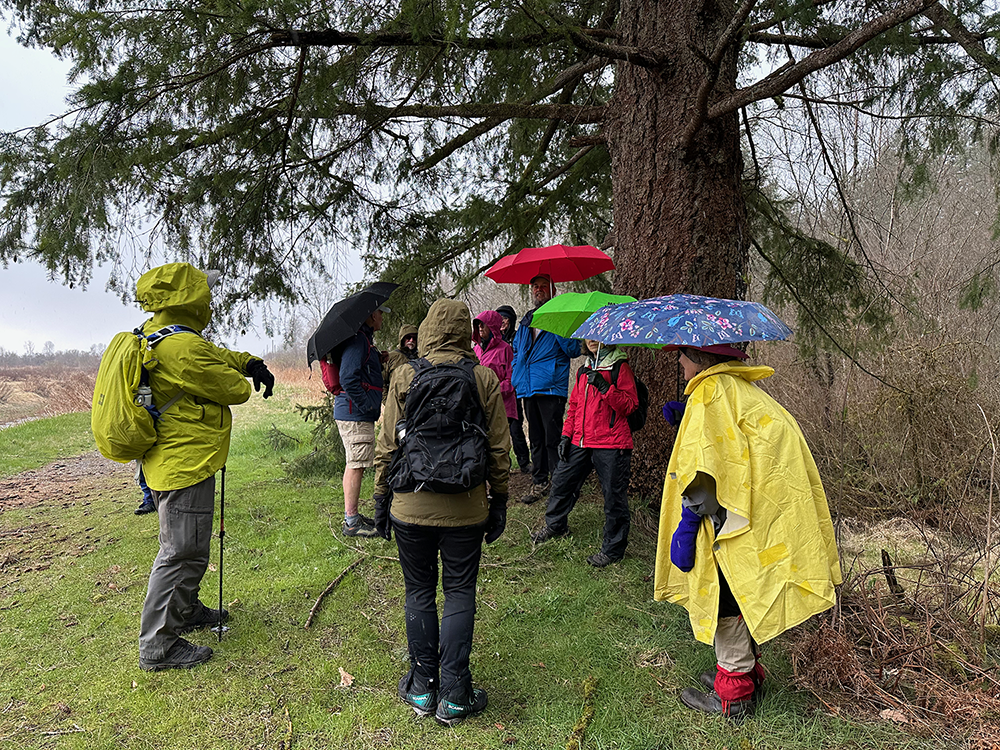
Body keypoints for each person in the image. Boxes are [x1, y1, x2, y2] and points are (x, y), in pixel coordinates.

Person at [654, 344, 841, 719]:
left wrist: (688, 525)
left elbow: (708, 477)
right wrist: (690, 421)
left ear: (701, 359)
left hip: (727, 530)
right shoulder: (743, 391)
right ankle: (744, 671)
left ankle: (734, 695)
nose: (679, 361)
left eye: (683, 354)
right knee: (743, 596)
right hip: (754, 524)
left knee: (727, 603)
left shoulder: (711, 394)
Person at [372, 298, 511, 727]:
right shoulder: (483, 376)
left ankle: (421, 687)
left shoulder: (403, 376)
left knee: (418, 592)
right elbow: (498, 449)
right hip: (467, 508)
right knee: (459, 592)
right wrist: (499, 500)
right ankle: (454, 694)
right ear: (466, 331)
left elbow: (386, 446)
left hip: (409, 505)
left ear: (429, 331)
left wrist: (380, 499)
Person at [136, 262, 275, 671]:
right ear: (190, 298)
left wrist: (247, 361)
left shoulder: (160, 334)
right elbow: (231, 389)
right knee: (180, 551)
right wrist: (241, 377)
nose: (211, 298)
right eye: (205, 291)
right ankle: (157, 645)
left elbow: (215, 355)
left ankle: (186, 609)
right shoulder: (184, 348)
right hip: (185, 462)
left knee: (190, 546)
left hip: (169, 459)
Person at [530, 340, 638, 567]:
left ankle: (613, 549)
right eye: (588, 335)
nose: (592, 340)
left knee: (613, 497)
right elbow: (575, 407)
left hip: (611, 442)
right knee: (561, 481)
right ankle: (556, 525)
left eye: (596, 336)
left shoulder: (619, 367)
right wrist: (566, 436)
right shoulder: (584, 368)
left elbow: (630, 405)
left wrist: (605, 387)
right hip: (581, 439)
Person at [510, 275, 582, 503]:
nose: (539, 291)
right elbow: (517, 350)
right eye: (535, 287)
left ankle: (559, 484)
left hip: (550, 387)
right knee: (536, 438)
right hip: (528, 387)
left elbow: (573, 349)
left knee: (553, 438)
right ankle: (539, 481)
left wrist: (558, 323)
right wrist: (516, 372)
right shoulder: (526, 320)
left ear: (553, 290)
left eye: (543, 287)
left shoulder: (560, 317)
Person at [333, 304, 387, 537]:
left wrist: (378, 360)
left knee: (356, 463)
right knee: (356, 464)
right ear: (372, 314)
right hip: (355, 413)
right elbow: (347, 377)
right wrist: (366, 404)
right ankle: (352, 522)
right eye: (381, 313)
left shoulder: (364, 340)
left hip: (354, 412)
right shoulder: (358, 341)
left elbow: (359, 371)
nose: (382, 317)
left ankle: (352, 516)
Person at [472, 310, 518, 448]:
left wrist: (492, 391)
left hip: (502, 404)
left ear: (492, 327)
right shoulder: (476, 350)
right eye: (478, 324)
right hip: (480, 404)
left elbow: (511, 380)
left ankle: (505, 468)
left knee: (499, 443)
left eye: (483, 324)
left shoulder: (505, 349)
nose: (480, 327)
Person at [496, 305, 531, 473]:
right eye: (500, 318)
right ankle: (504, 463)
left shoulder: (518, 336)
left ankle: (524, 462)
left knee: (516, 427)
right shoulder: (493, 340)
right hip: (497, 390)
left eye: (506, 319)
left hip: (515, 387)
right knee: (498, 430)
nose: (503, 322)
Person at [382, 323, 418, 402]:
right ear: (402, 339)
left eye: (414, 338)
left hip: (415, 402)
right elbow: (382, 381)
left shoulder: (421, 358)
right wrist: (386, 401)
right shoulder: (391, 357)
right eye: (408, 338)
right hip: (395, 400)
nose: (411, 340)